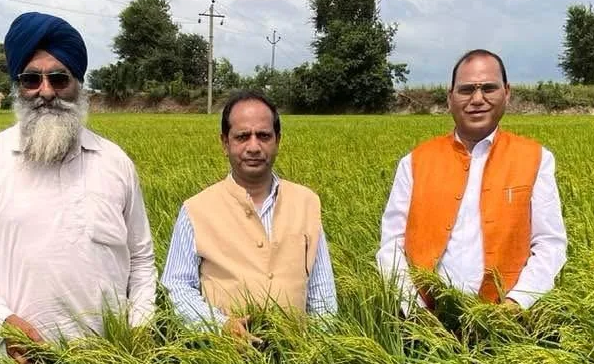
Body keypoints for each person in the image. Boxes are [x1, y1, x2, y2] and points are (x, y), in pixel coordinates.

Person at [0, 12, 157, 364]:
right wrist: (4, 322)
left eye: (59, 78)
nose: (46, 92)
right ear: (17, 86)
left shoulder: (115, 163)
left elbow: (142, 260)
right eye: (31, 80)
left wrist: (140, 328)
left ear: (78, 85)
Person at [377, 49, 567, 315]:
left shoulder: (536, 159)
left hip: (508, 325)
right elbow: (392, 245)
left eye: (489, 88)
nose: (478, 99)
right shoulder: (415, 162)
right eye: (466, 90)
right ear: (450, 97)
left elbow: (549, 244)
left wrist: (516, 304)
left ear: (507, 92)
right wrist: (414, 311)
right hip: (425, 323)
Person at [161, 90, 337, 343]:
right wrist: (220, 326)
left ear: (278, 140)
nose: (253, 146)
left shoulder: (306, 202)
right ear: (225, 143)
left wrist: (320, 348)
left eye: (263, 136)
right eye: (242, 137)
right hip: (224, 360)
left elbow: (322, 290)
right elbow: (176, 286)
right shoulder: (196, 210)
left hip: (297, 356)